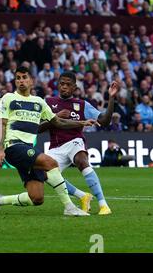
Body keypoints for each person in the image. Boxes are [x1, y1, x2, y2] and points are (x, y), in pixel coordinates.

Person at [0, 67, 96, 217]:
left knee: (36, 198)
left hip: (28, 149)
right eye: (18, 78)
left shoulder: (39, 102)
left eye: (24, 77)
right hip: (14, 146)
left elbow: (58, 122)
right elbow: (2, 124)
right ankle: (69, 207)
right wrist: (0, 150)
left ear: (31, 81)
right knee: (51, 163)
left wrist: (82, 123)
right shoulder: (8, 98)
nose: (21, 81)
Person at [39, 72, 119, 215]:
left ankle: (103, 205)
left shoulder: (82, 105)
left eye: (68, 84)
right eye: (61, 84)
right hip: (56, 147)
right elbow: (38, 128)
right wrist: (55, 117)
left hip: (75, 141)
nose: (64, 87)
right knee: (45, 174)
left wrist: (111, 98)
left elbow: (105, 121)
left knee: (81, 160)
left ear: (74, 87)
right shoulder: (48, 103)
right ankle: (83, 196)